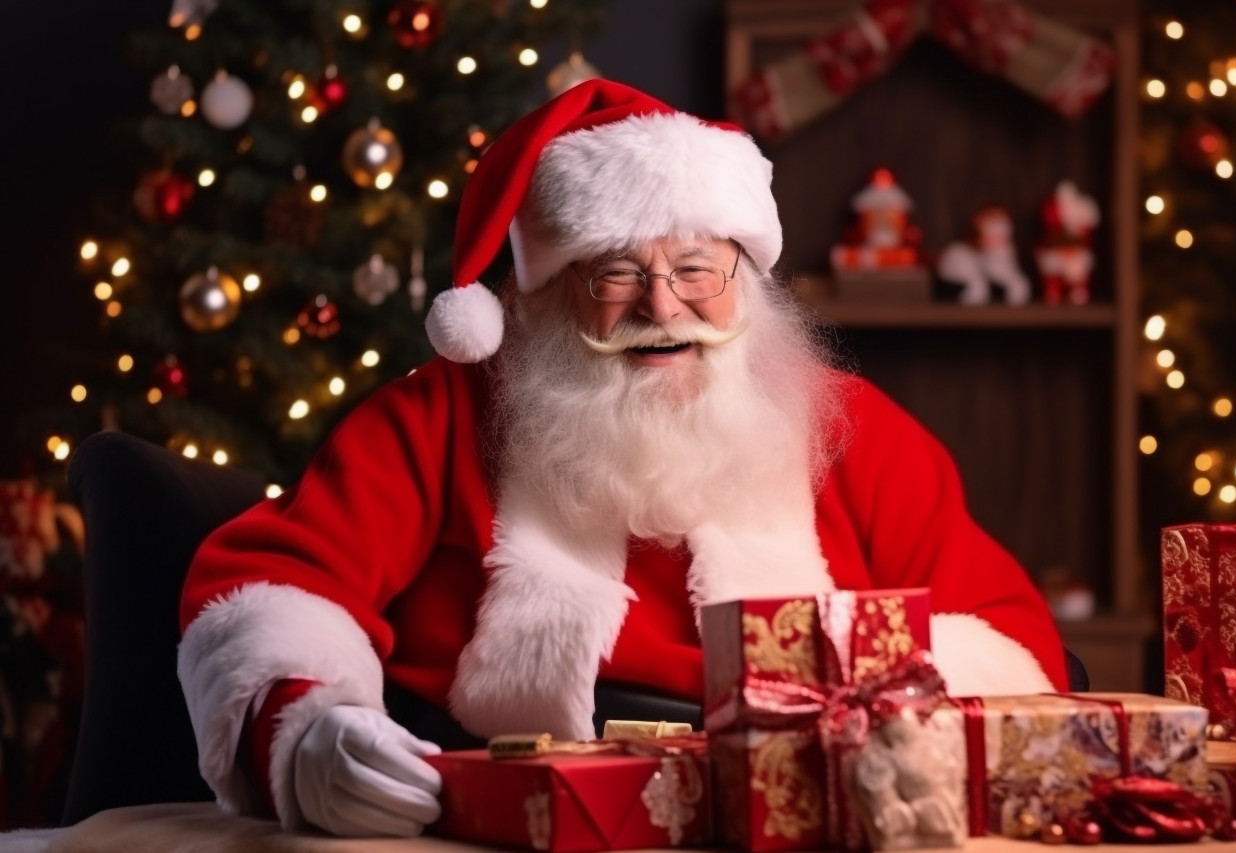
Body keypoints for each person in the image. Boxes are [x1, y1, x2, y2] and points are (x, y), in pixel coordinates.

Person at [177, 79, 1068, 838]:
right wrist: (307, 732)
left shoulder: (849, 428)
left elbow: (1009, 638)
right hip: (496, 820)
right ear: (541, 294)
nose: (663, 306)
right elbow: (274, 585)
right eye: (613, 273)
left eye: (695, 269)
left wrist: (895, 732)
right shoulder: (441, 416)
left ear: (744, 280)